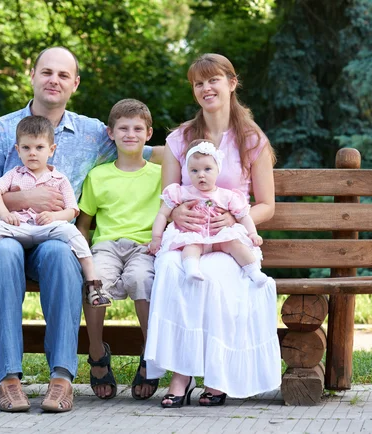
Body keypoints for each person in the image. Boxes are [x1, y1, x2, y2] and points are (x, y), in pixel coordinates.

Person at [0, 46, 163, 413]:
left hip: (54, 236)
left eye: (62, 75)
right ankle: (8, 379)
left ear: (75, 83)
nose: (53, 80)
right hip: (1, 232)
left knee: (60, 254)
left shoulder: (92, 133)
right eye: (46, 72)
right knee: (6, 255)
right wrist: (27, 197)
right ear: (33, 76)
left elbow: (144, 151)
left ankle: (61, 378)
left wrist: (210, 157)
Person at [144, 53, 282, 408]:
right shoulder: (180, 139)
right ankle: (181, 372)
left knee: (218, 277)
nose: (206, 88)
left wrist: (236, 221)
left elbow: (266, 204)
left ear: (232, 83)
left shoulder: (252, 140)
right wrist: (177, 216)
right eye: (198, 83)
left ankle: (218, 376)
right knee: (174, 270)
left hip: (230, 241)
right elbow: (170, 197)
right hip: (188, 239)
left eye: (213, 80)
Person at [0, 115, 110, 310]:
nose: (32, 153)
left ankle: (93, 285)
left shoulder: (59, 179)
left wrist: (54, 216)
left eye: (39, 148)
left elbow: (72, 210)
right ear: (18, 150)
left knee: (75, 236)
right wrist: (3, 214)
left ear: (51, 150)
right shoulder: (14, 174)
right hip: (17, 227)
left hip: (47, 228)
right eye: (26, 148)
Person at [76, 99, 162, 401]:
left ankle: (150, 352)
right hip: (106, 246)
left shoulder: (160, 175)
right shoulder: (98, 176)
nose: (130, 134)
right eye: (123, 128)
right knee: (95, 281)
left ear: (149, 134)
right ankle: (97, 351)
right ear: (110, 133)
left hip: (144, 247)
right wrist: (81, 254)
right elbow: (84, 223)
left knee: (142, 279)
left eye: (138, 128)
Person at [149, 139, 268, 287]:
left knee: (236, 245)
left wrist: (252, 234)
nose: (201, 175)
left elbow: (244, 216)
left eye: (207, 169)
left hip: (220, 238)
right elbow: (162, 214)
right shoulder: (182, 192)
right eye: (194, 170)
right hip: (194, 236)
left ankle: (254, 272)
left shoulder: (227, 196)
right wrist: (156, 237)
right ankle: (191, 270)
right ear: (187, 172)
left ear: (218, 169)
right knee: (190, 247)